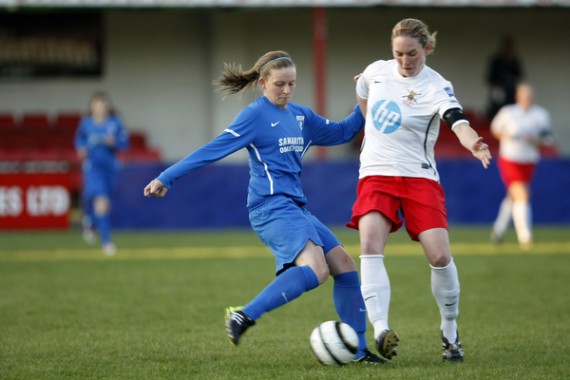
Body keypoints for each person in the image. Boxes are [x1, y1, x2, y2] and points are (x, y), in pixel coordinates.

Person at [143, 50, 385, 364]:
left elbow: (343, 132)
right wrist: (167, 177)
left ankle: (359, 352)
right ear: (262, 83)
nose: (286, 90)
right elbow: (212, 149)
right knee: (316, 269)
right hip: (269, 208)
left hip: (295, 208)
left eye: (291, 84)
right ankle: (244, 315)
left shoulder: (301, 116)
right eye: (279, 84)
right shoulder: (254, 116)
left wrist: (365, 94)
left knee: (345, 265)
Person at [348, 18, 492, 363]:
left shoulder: (436, 86)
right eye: (398, 54)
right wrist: (369, 128)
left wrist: (474, 143)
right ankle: (381, 330)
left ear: (425, 48)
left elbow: (457, 120)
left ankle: (450, 330)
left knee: (440, 256)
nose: (404, 61)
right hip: (376, 173)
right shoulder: (377, 71)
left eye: (411, 54)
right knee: (369, 243)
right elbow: (363, 89)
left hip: (418, 177)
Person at [490, 83, 553, 250]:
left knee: (514, 196)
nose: (527, 99)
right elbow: (495, 130)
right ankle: (525, 237)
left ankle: (498, 230)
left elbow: (546, 138)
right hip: (510, 158)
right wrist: (509, 135)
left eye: (530, 96)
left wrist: (533, 140)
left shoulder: (541, 114)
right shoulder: (508, 112)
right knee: (522, 194)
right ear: (518, 97)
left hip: (529, 160)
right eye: (524, 96)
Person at [74, 91, 130, 255]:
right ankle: (106, 242)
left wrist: (115, 142)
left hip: (110, 168)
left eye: (104, 104)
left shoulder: (115, 123)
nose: (101, 107)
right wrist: (81, 149)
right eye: (98, 104)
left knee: (105, 204)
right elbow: (79, 140)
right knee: (102, 201)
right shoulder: (86, 124)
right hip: (93, 167)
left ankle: (90, 222)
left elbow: (125, 143)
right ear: (92, 106)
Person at [486, 35, 524, 118]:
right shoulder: (497, 60)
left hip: (512, 93)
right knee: (496, 114)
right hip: (499, 93)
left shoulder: (515, 61)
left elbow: (519, 77)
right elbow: (490, 78)